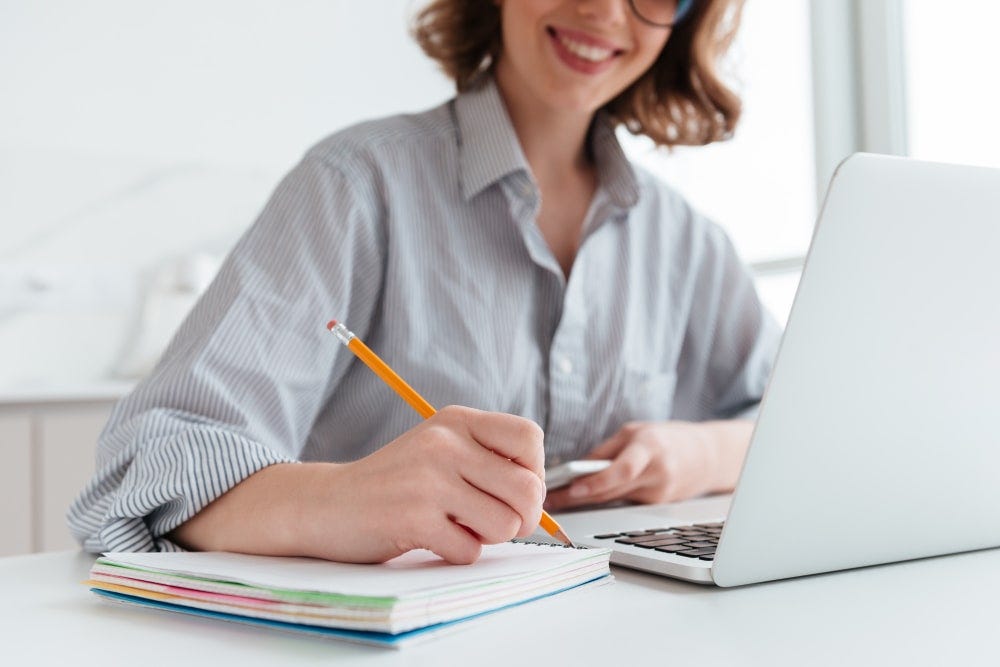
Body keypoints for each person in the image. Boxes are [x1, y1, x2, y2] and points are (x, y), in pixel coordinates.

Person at [68, 0, 780, 565]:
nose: (604, 9)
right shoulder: (354, 183)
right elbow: (146, 463)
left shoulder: (689, 242)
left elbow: (797, 423)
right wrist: (344, 498)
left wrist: (698, 454)